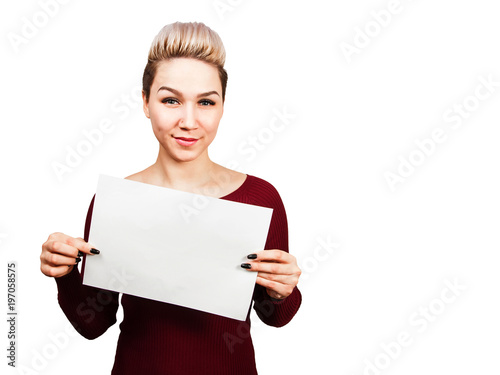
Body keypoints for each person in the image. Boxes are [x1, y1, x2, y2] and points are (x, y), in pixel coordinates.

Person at [40, 21, 302, 374]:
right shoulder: (116, 201)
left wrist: (282, 291)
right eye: (171, 100)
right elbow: (94, 323)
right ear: (146, 102)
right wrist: (65, 273)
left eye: (206, 102)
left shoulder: (259, 198)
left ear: (223, 106)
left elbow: (274, 318)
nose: (189, 121)